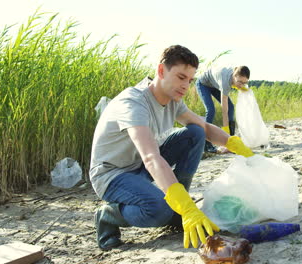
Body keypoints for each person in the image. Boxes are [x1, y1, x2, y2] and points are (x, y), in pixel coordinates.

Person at [89, 45, 254, 251]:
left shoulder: (174, 100)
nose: (185, 85)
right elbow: (150, 157)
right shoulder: (134, 102)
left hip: (139, 166)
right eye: (180, 77)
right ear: (161, 71)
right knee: (159, 210)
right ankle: (108, 216)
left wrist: (235, 145)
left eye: (190, 80)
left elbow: (205, 127)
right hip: (112, 174)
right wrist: (188, 208)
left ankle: (179, 209)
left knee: (195, 132)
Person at [196, 65, 250, 153]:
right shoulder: (225, 82)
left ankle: (231, 140)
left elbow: (239, 85)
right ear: (234, 76)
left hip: (215, 85)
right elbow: (224, 111)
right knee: (211, 110)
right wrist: (225, 128)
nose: (242, 85)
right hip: (203, 84)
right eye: (240, 82)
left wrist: (243, 87)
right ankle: (206, 144)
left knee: (231, 108)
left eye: (244, 83)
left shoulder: (236, 78)